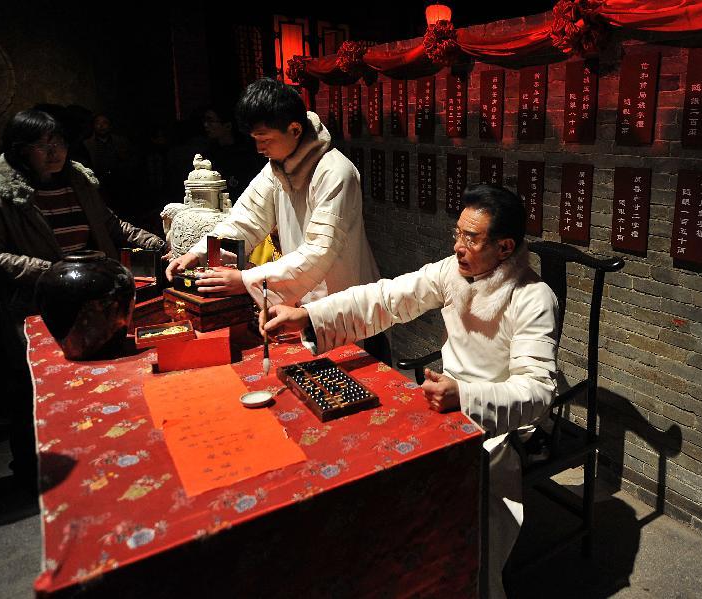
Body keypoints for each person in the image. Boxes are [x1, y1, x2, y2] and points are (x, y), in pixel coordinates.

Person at [260, 184, 560, 599]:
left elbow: (539, 390)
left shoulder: (533, 297)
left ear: (505, 247)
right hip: (447, 400)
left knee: (463, 507)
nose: (457, 247)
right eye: (457, 234)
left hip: (499, 422)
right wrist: (308, 315)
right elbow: (386, 298)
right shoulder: (451, 274)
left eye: (470, 239)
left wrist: (467, 396)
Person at [0, 109, 165, 489]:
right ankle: (33, 471)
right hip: (37, 304)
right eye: (43, 146)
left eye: (59, 142)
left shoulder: (77, 180)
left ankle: (93, 458)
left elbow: (110, 224)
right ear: (18, 150)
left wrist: (161, 246)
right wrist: (50, 273)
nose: (55, 152)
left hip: (93, 300)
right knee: (33, 389)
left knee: (95, 379)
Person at [166, 78, 387, 363]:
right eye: (255, 140)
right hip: (299, 300)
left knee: (349, 380)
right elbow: (245, 219)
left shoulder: (336, 173)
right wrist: (200, 253)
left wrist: (246, 280)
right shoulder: (277, 168)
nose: (259, 149)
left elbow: (320, 251)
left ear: (295, 129)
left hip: (341, 300)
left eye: (265, 139)